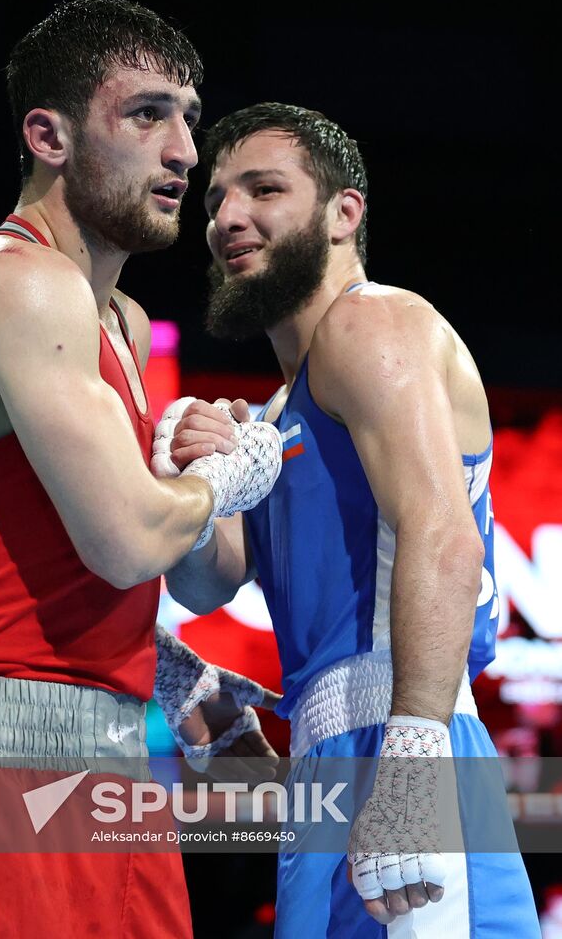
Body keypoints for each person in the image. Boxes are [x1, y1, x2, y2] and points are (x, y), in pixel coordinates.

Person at [0, 0, 283, 939]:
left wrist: (178, 674)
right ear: (47, 135)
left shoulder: (124, 325)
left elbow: (193, 575)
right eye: (147, 115)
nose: (184, 149)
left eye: (189, 117)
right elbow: (129, 538)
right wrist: (238, 471)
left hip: (113, 782)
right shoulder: (7, 281)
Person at [161, 103, 541, 937]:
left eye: (264, 189)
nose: (228, 217)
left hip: (408, 737)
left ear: (344, 213)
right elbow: (205, 584)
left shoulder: (370, 323)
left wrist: (409, 767)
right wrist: (193, 486)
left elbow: (440, 533)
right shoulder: (274, 413)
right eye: (217, 198)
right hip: (322, 779)